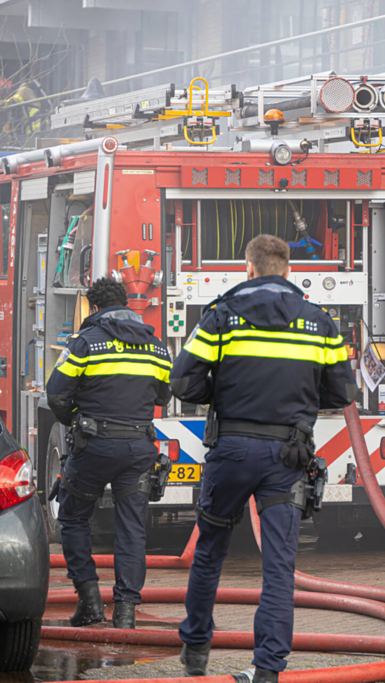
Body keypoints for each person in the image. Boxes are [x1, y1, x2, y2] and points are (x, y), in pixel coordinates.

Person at [171, 234, 356, 683]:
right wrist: (298, 398)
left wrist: (224, 393)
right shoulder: (320, 322)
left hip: (231, 450)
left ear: (249, 269)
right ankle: (268, 669)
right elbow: (342, 393)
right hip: (287, 455)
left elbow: (182, 382)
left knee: (210, 550)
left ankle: (195, 650)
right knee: (279, 567)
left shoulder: (220, 316)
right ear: (289, 270)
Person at [45, 277, 172, 629]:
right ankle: (126, 611)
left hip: (94, 447)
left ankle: (89, 602)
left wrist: (76, 421)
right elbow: (164, 396)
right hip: (138, 447)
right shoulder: (156, 347)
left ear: (95, 307)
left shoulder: (85, 343)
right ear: (126, 304)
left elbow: (56, 393)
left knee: (73, 517)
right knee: (131, 528)